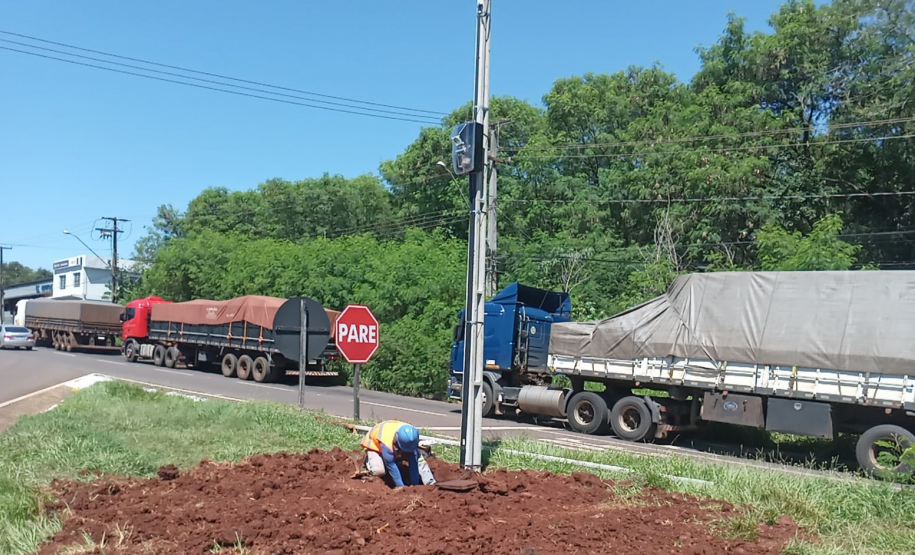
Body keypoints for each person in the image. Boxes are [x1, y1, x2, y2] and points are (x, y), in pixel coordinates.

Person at [359, 420, 436, 489]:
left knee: (419, 459)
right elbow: (392, 467)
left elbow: (413, 461)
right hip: (375, 447)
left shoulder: (411, 436)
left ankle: (431, 483)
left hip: (397, 444)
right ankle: (368, 462)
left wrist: (414, 485)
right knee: (379, 471)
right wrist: (401, 487)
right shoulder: (386, 443)